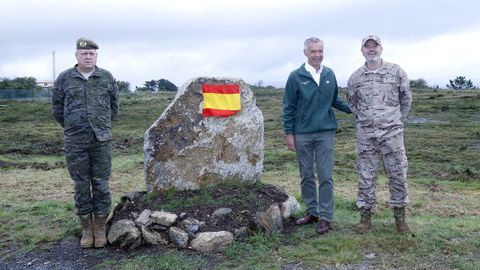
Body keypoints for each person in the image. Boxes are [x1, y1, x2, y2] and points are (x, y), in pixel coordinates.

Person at [52, 38, 119, 248]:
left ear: (96, 56)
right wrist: (73, 127)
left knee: (101, 183)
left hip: (101, 140)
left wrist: (102, 126)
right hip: (75, 141)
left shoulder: (106, 77)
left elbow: (114, 107)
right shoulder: (64, 78)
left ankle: (100, 227)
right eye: (84, 53)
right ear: (76, 56)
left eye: (91, 53)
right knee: (81, 184)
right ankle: (86, 229)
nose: (88, 56)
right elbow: (57, 109)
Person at [283, 37, 352, 235]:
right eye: (313, 51)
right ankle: (312, 212)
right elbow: (289, 107)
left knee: (325, 176)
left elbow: (334, 98)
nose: (317, 55)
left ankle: (325, 217)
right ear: (306, 52)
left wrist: (351, 109)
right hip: (302, 133)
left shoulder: (329, 73)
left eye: (320, 51)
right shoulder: (295, 76)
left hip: (326, 133)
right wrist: (289, 133)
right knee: (306, 175)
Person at [347, 35, 412, 233]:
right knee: (365, 175)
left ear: (381, 49)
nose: (371, 50)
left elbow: (406, 100)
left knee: (398, 173)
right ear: (362, 51)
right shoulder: (355, 77)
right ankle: (365, 218)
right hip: (366, 135)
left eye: (375, 46)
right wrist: (367, 121)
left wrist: (392, 120)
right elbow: (352, 103)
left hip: (392, 134)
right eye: (367, 47)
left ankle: (400, 219)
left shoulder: (396, 72)